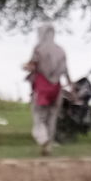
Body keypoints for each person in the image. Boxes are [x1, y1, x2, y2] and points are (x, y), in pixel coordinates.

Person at [25, 24, 70, 156]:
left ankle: (43, 139)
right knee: (52, 118)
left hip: (42, 89)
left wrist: (25, 66)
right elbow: (66, 71)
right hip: (56, 89)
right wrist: (71, 87)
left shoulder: (39, 49)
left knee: (39, 117)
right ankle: (48, 146)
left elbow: (32, 66)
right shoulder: (60, 50)